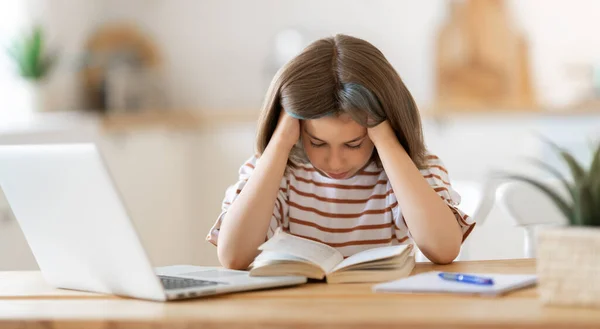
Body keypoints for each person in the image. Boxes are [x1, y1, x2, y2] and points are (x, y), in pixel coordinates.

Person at [207, 34, 475, 270]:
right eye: (318, 142)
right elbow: (233, 256)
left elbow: (444, 249)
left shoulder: (414, 168)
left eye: (353, 144)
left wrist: (386, 139)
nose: (334, 162)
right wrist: (279, 143)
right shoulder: (274, 170)